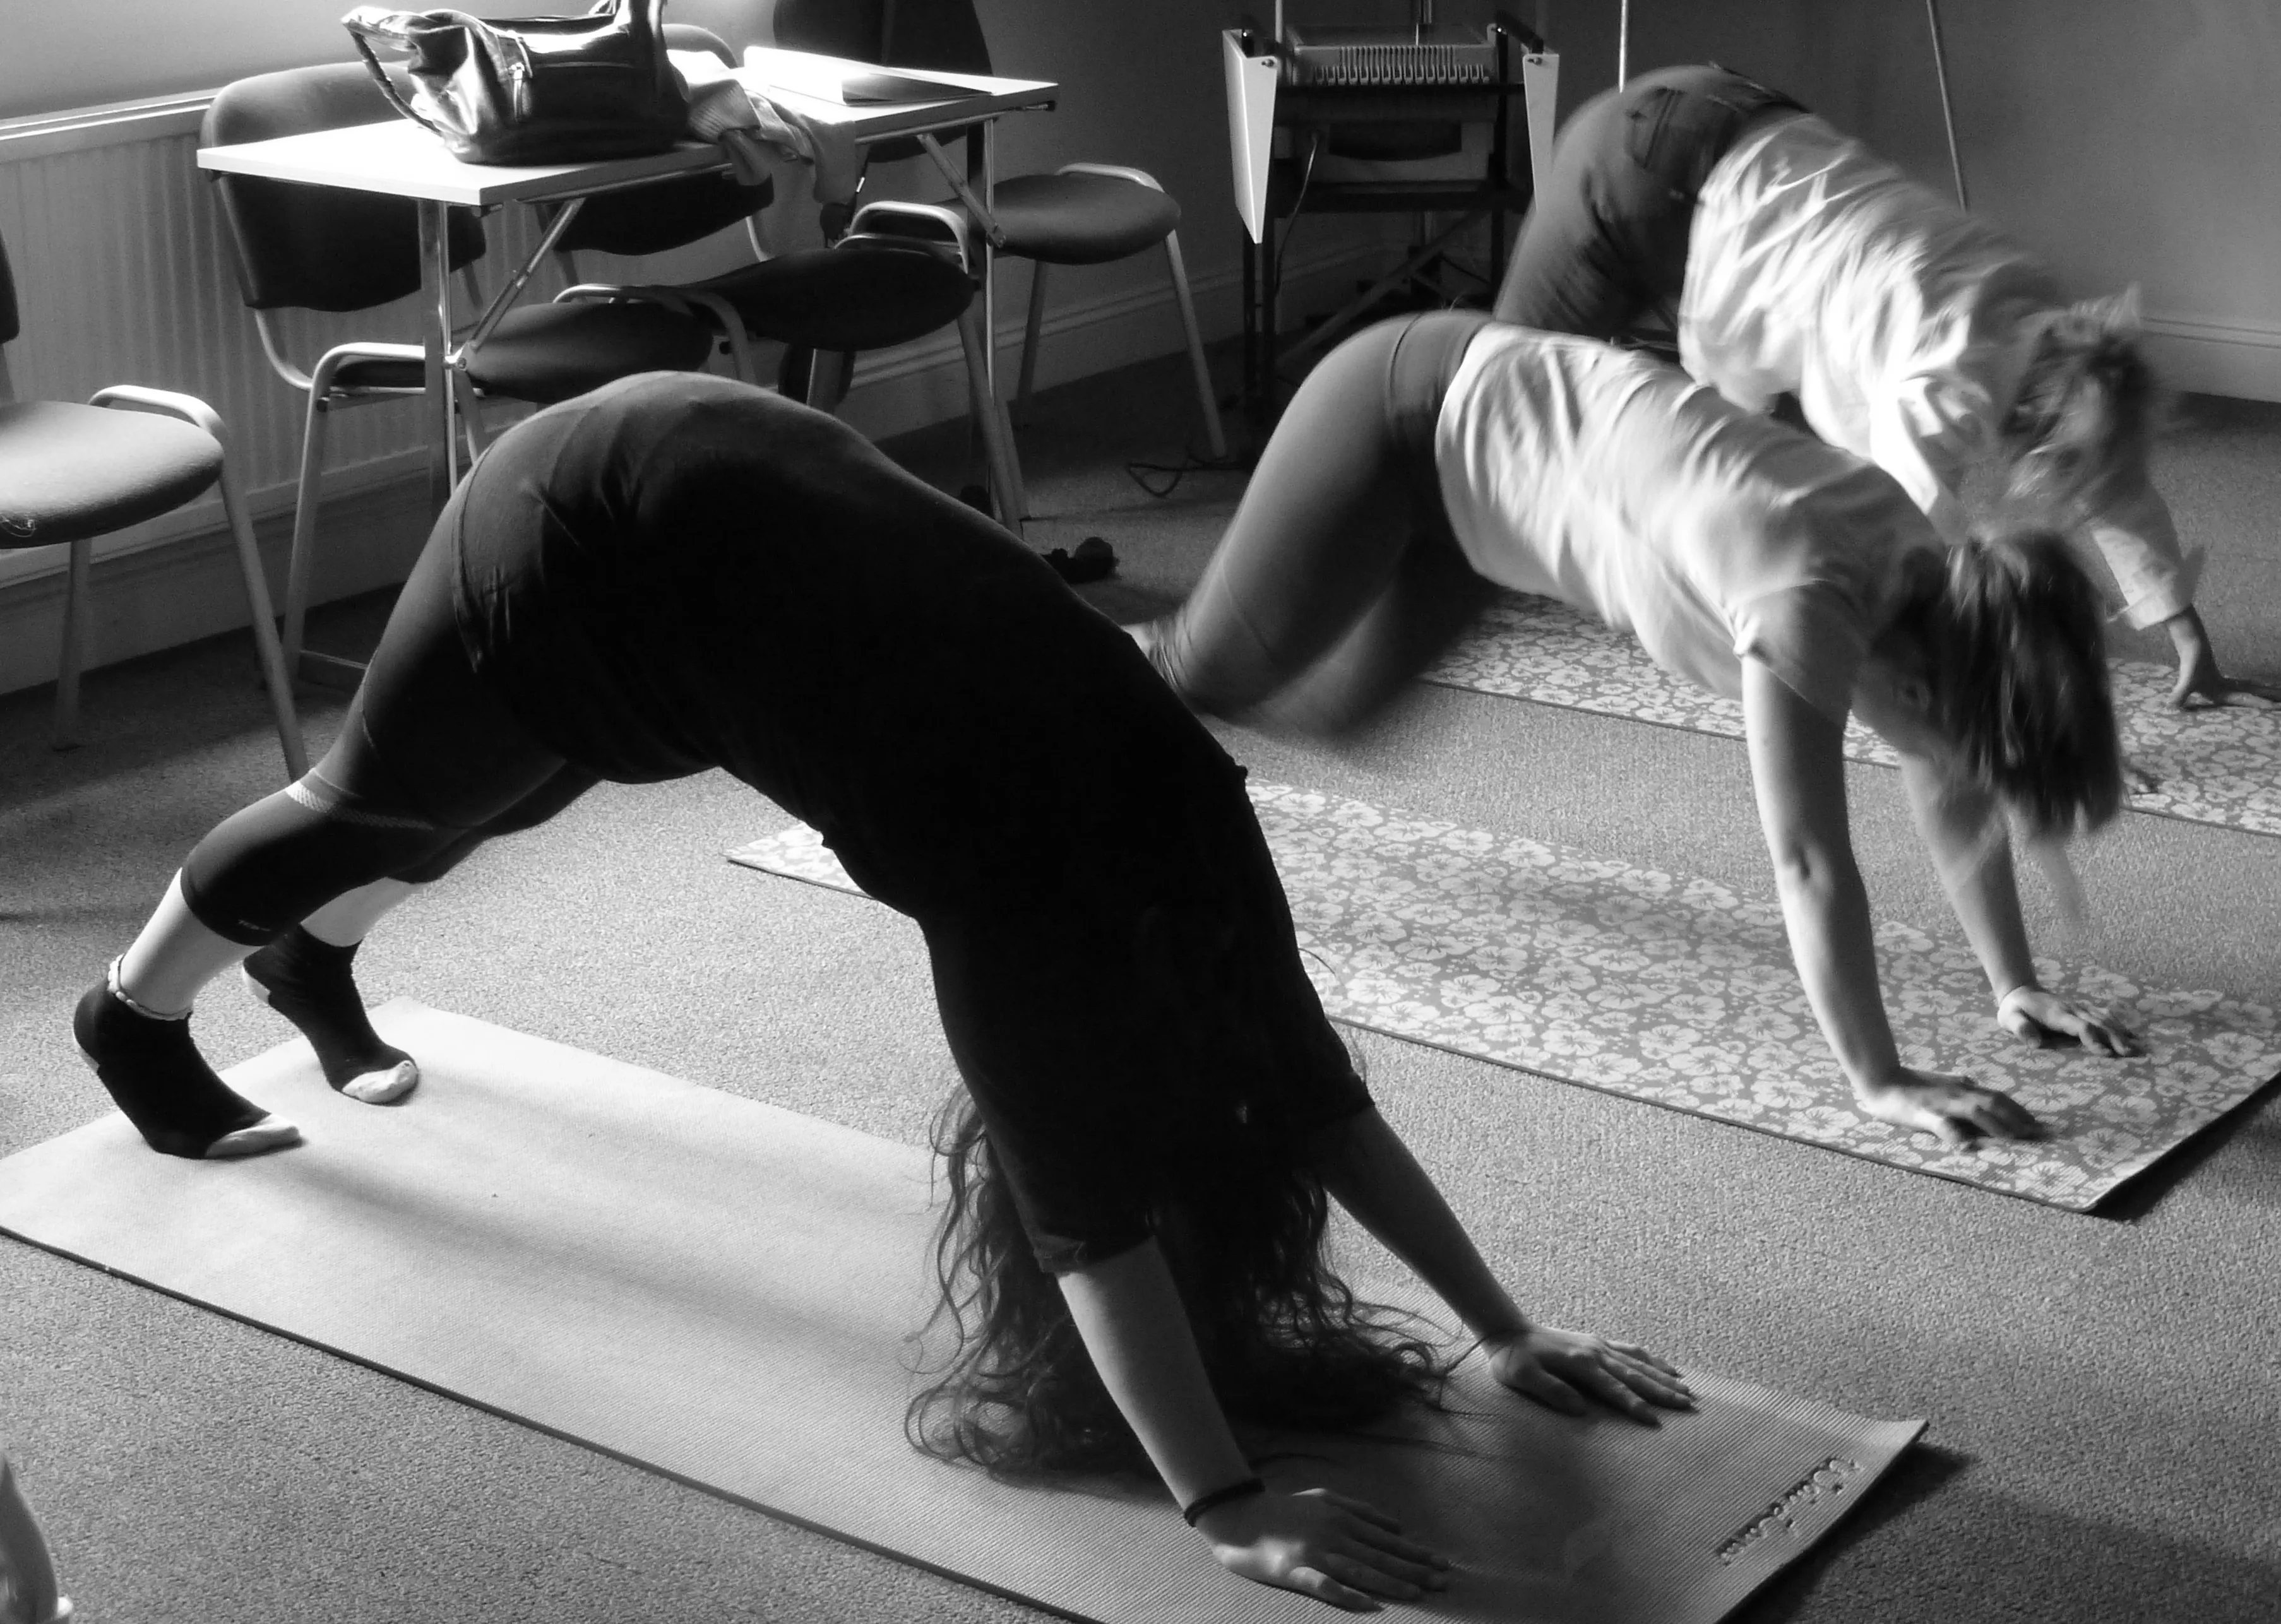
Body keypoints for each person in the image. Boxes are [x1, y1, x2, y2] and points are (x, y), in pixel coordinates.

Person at [73, 372, 1693, 1611]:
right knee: (378, 799)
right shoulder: (1026, 908)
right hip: (588, 526)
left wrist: (1507, 1327)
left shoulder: (1196, 821)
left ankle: (314, 961)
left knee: (502, 791)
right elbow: (1090, 1229)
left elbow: (1318, 1096)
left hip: (733, 531)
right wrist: (1224, 1501)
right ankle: (134, 1020)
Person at [1133, 312, 2144, 1151]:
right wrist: (1878, 1078)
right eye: (1946, 741)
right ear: (1922, 689)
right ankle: (1017, 635)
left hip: (1485, 463)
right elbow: (1807, 862)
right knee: (1197, 671)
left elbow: (1950, 774)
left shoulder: (1932, 581)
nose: (1946, 772)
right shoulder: (1804, 598)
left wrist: (2013, 982)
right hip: (1399, 417)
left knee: (1353, 718)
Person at [1488, 64, 2278, 711]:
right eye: (2053, 472)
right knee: (1495, 410)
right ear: (2034, 425)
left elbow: (2113, 488)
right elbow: (1905, 548)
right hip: (1643, 172)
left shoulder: (2042, 316)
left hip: (1734, 111)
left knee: (1763, 468)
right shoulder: (1948, 385)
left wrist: (2188, 639)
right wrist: (2026, 721)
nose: (2052, 491)